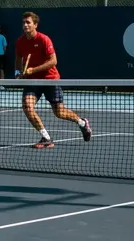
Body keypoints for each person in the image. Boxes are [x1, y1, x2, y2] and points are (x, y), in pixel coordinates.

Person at [15, 11, 92, 149]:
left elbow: (53, 61)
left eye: (28, 22)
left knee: (59, 112)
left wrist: (33, 70)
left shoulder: (44, 39)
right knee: (27, 106)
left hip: (50, 79)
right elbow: (18, 58)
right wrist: (18, 72)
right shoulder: (20, 42)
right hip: (33, 81)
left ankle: (82, 123)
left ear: (35, 25)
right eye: (23, 23)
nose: (25, 25)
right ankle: (46, 138)